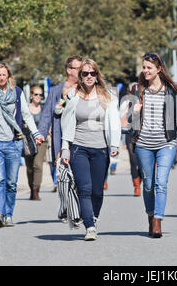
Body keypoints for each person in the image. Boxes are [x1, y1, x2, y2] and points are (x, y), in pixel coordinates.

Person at [129, 53, 177, 238]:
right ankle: (150, 214)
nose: (146, 71)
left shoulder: (171, 91)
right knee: (148, 184)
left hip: (166, 143)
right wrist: (134, 113)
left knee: (161, 183)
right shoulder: (137, 90)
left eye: (149, 67)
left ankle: (157, 220)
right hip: (143, 143)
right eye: (144, 67)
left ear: (159, 69)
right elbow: (131, 123)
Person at [60, 58, 121, 241]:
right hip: (79, 147)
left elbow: (115, 121)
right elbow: (66, 122)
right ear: (80, 75)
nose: (88, 76)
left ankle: (93, 217)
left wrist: (115, 144)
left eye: (92, 73)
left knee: (97, 191)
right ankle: (90, 226)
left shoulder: (107, 96)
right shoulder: (73, 95)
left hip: (100, 149)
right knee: (84, 189)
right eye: (85, 73)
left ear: (97, 75)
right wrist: (65, 148)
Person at [0, 63, 43, 227]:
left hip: (14, 143)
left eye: (4, 75)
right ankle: (0, 213)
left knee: (11, 182)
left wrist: (36, 134)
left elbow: (26, 115)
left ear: (8, 77)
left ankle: (8, 214)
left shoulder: (17, 93)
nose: (1, 77)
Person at [38, 55, 82, 167]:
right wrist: (41, 134)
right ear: (69, 70)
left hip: (82, 137)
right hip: (61, 137)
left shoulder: (86, 89)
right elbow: (46, 114)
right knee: (62, 170)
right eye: (78, 68)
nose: (82, 71)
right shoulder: (55, 91)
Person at [25, 85, 48, 201]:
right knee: (29, 168)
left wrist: (48, 129)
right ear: (31, 96)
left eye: (40, 94)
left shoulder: (44, 109)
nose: (38, 97)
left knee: (37, 165)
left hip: (41, 141)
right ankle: (31, 188)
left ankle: (36, 190)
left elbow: (48, 121)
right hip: (28, 141)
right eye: (36, 94)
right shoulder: (25, 109)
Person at [120, 82, 142, 196]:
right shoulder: (125, 103)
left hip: (142, 133)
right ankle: (136, 186)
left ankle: (141, 177)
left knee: (142, 161)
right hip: (129, 133)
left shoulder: (144, 99)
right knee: (133, 161)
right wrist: (123, 140)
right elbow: (122, 121)